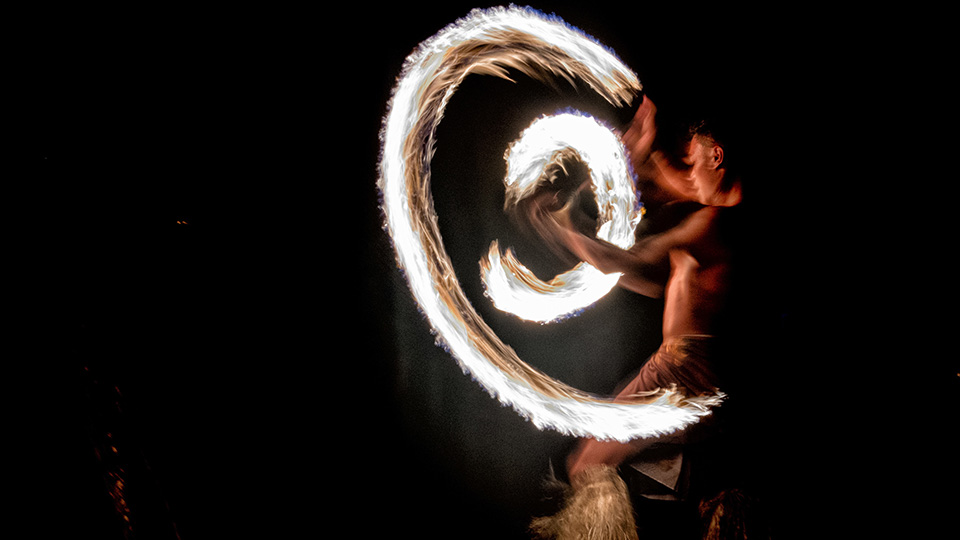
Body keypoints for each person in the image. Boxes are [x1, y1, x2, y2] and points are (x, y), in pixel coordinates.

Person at [529, 95, 746, 540]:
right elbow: (654, 263)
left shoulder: (712, 223)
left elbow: (634, 264)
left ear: (716, 156)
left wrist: (561, 228)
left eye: (693, 161)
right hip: (709, 373)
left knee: (588, 466)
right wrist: (642, 152)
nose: (687, 174)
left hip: (681, 369)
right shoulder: (735, 220)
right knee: (699, 490)